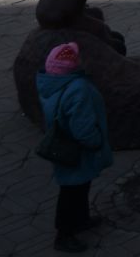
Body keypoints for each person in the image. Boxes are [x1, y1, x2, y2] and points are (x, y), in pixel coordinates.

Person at [36, 42, 112, 253]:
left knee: (80, 187)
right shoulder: (77, 90)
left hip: (64, 146)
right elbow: (82, 125)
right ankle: (64, 234)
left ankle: (81, 219)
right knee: (71, 192)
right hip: (76, 150)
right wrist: (95, 141)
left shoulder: (49, 84)